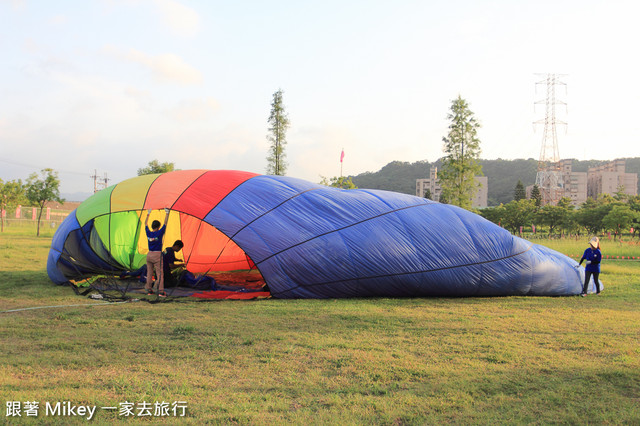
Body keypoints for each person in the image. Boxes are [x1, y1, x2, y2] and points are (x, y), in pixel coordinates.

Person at [145, 208, 170, 297]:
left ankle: (149, 290)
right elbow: (165, 223)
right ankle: (161, 291)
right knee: (160, 274)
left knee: (149, 273)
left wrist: (148, 214)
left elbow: (145, 224)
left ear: (152, 226)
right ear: (158, 226)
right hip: (157, 254)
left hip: (149, 254)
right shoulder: (159, 233)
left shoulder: (148, 233)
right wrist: (167, 213)